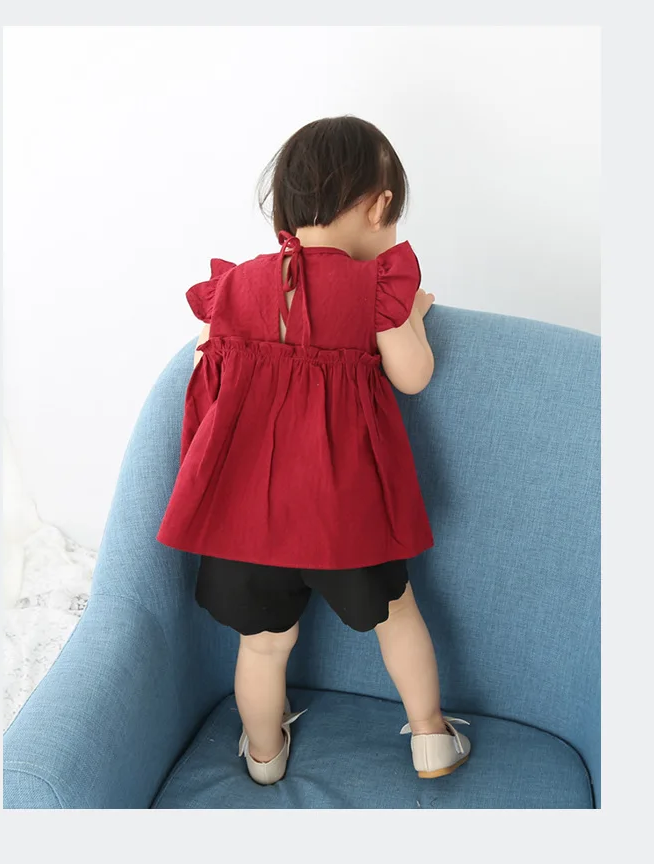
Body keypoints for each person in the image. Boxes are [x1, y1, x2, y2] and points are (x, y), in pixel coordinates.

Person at [157, 116, 470, 786]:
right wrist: (411, 316)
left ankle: (264, 757)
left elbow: (205, 375)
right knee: (397, 617)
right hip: (344, 514)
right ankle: (431, 739)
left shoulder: (235, 287)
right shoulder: (374, 290)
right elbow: (414, 375)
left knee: (263, 647)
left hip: (246, 521)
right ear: (379, 205)